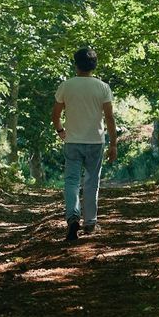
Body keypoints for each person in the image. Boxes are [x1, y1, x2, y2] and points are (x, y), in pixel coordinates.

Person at [52, 47, 117, 242]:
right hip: (95, 142)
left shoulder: (66, 86)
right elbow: (110, 117)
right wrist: (113, 143)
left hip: (72, 141)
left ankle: (72, 218)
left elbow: (55, 115)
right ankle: (90, 222)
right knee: (91, 182)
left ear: (76, 64)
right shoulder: (103, 87)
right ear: (94, 65)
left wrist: (60, 130)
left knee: (71, 181)